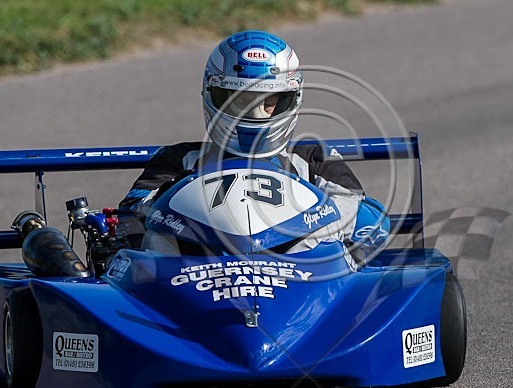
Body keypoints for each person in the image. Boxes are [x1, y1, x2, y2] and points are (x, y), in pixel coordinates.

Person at [117, 30, 388, 257]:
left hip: (298, 282)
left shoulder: (311, 157)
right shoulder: (181, 158)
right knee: (156, 242)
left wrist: (311, 212)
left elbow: (373, 222)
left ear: (288, 100)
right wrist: (176, 198)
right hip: (197, 278)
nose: (254, 113)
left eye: (267, 102)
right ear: (215, 95)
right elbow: (130, 215)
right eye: (241, 100)